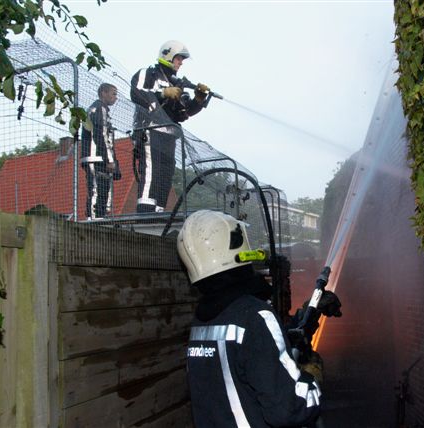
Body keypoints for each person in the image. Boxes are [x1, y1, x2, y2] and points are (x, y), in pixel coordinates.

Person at [177, 210, 341, 427]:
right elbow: (289, 409)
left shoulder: (202, 322)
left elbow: (241, 363)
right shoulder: (256, 317)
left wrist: (301, 321)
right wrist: (311, 380)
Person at [130, 40, 210, 213]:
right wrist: (162, 93)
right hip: (150, 131)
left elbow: (184, 113)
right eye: (179, 59)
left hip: (170, 135)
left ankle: (158, 211)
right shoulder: (148, 74)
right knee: (152, 170)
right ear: (168, 55)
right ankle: (145, 212)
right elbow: (136, 92)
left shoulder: (177, 84)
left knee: (166, 173)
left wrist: (198, 100)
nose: (181, 63)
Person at [81, 83, 121, 219]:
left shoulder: (96, 109)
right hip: (96, 158)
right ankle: (93, 220)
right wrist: (110, 160)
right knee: (97, 190)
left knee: (101, 190)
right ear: (103, 93)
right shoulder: (99, 109)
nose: (116, 98)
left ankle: (99, 218)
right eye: (113, 93)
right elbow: (101, 135)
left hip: (97, 157)